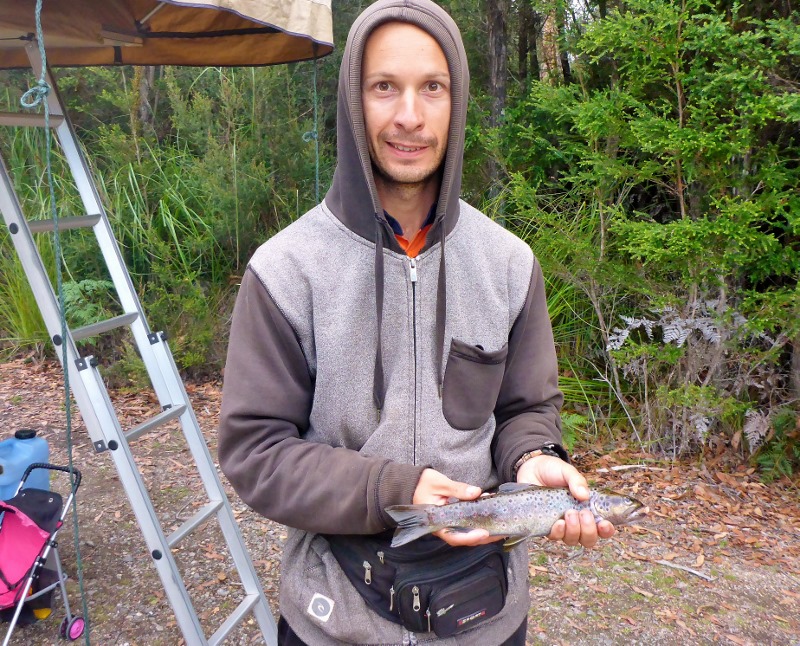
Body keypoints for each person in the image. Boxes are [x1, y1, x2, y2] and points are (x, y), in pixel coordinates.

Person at [218, 1, 615, 643]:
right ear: (354, 100)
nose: (409, 116)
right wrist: (390, 489)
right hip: (334, 617)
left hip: (485, 615)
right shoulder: (286, 270)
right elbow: (256, 452)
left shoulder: (509, 264)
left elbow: (526, 410)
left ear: (456, 102)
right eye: (384, 87)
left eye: (432, 87)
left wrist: (533, 459)